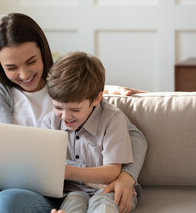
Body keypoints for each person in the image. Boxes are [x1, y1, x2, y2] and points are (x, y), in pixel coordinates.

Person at [0, 13, 147, 213]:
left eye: (31, 61)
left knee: (6, 202)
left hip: (38, 191)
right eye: (11, 67)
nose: (24, 74)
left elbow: (133, 135)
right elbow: (10, 150)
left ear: (43, 51)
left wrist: (125, 177)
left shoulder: (62, 87)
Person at [44, 51, 134, 213]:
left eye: (75, 109)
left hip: (108, 189)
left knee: (104, 206)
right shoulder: (49, 121)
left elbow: (112, 172)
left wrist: (68, 171)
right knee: (72, 205)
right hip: (72, 192)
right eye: (58, 107)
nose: (65, 116)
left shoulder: (112, 118)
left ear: (97, 99)